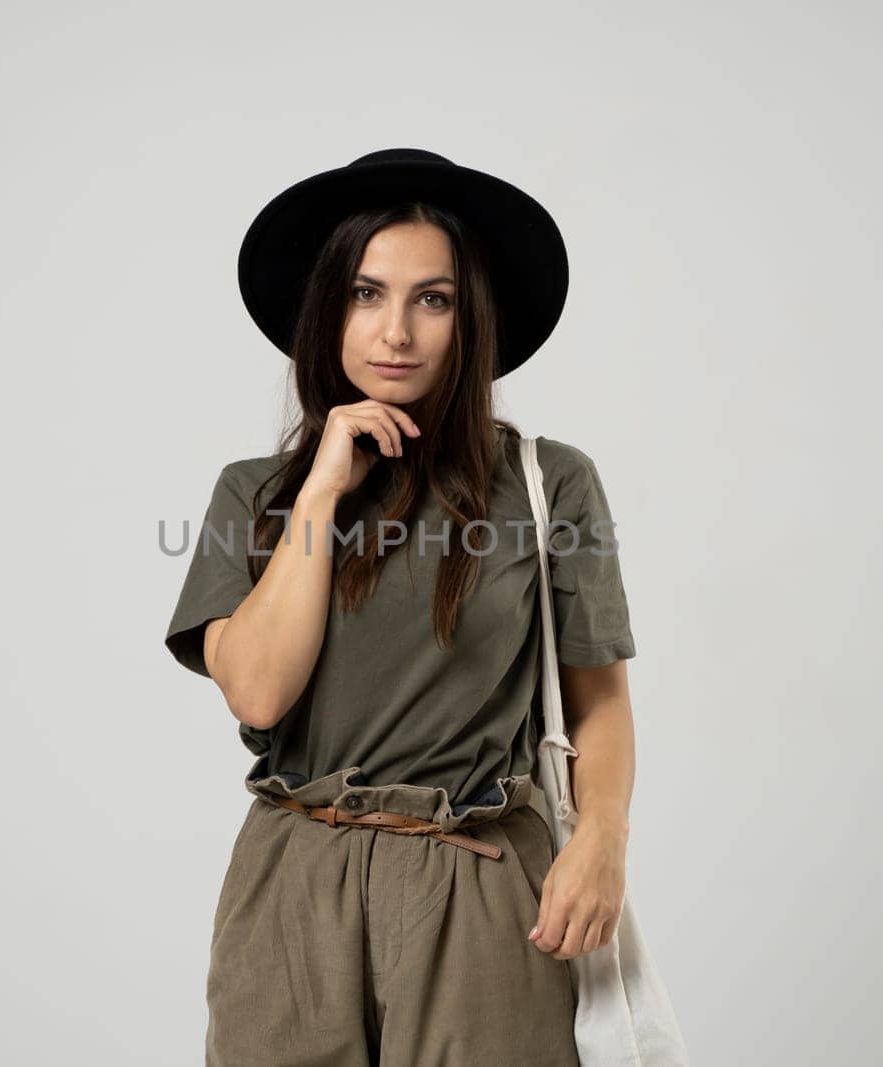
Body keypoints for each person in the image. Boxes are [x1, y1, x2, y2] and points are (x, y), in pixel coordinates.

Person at [163, 148, 640, 1066]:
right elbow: (258, 695)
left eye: (434, 299)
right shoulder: (253, 496)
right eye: (365, 294)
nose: (397, 332)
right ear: (326, 311)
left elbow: (599, 701)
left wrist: (604, 839)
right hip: (296, 881)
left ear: (470, 320)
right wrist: (317, 495)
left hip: (484, 875)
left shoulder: (548, 485)